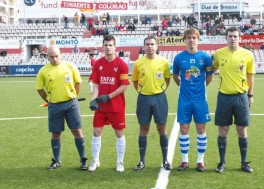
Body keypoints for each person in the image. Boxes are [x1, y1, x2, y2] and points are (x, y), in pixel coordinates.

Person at [36, 45, 87, 170]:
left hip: (71, 104)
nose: (54, 59)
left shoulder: (70, 66)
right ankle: (57, 161)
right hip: (54, 106)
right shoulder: (43, 71)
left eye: (56, 56)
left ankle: (83, 159)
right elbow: (40, 88)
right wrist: (48, 100)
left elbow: (78, 82)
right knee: (56, 133)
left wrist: (74, 95)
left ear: (61, 54)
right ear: (47, 57)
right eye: (51, 57)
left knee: (77, 131)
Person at [213, 26, 255, 173]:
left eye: (235, 36)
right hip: (224, 96)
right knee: (223, 129)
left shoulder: (248, 55)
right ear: (226, 38)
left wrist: (250, 95)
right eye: (230, 36)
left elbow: (250, 75)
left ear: (240, 38)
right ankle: (222, 162)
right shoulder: (219, 54)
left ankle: (244, 163)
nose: (232, 38)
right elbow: (211, 69)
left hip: (241, 97)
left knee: (242, 129)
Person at [173, 28, 214, 172]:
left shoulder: (205, 57)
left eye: (194, 37)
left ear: (198, 39)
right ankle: (184, 161)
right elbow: (175, 76)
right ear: (185, 40)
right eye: (189, 37)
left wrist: (199, 88)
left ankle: (200, 161)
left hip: (200, 100)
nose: (191, 40)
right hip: (184, 100)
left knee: (201, 129)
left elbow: (209, 76)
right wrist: (184, 87)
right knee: (184, 129)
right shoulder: (178, 58)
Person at [88, 34, 130, 172]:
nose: (108, 47)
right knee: (96, 131)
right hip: (101, 106)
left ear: (115, 47)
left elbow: (124, 85)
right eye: (105, 45)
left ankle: (120, 162)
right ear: (102, 46)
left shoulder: (122, 65)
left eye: (110, 45)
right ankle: (95, 161)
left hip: (116, 106)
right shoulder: (98, 64)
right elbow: (96, 83)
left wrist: (109, 96)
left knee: (119, 133)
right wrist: (94, 98)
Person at [132, 36, 172, 171]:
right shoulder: (138, 63)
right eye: (147, 44)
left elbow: (167, 80)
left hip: (159, 98)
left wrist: (159, 91)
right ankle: (142, 161)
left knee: (162, 128)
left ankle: (165, 160)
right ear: (144, 47)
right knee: (144, 129)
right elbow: (135, 81)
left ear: (156, 47)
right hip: (144, 99)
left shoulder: (164, 62)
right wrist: (143, 91)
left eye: (152, 44)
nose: (150, 46)